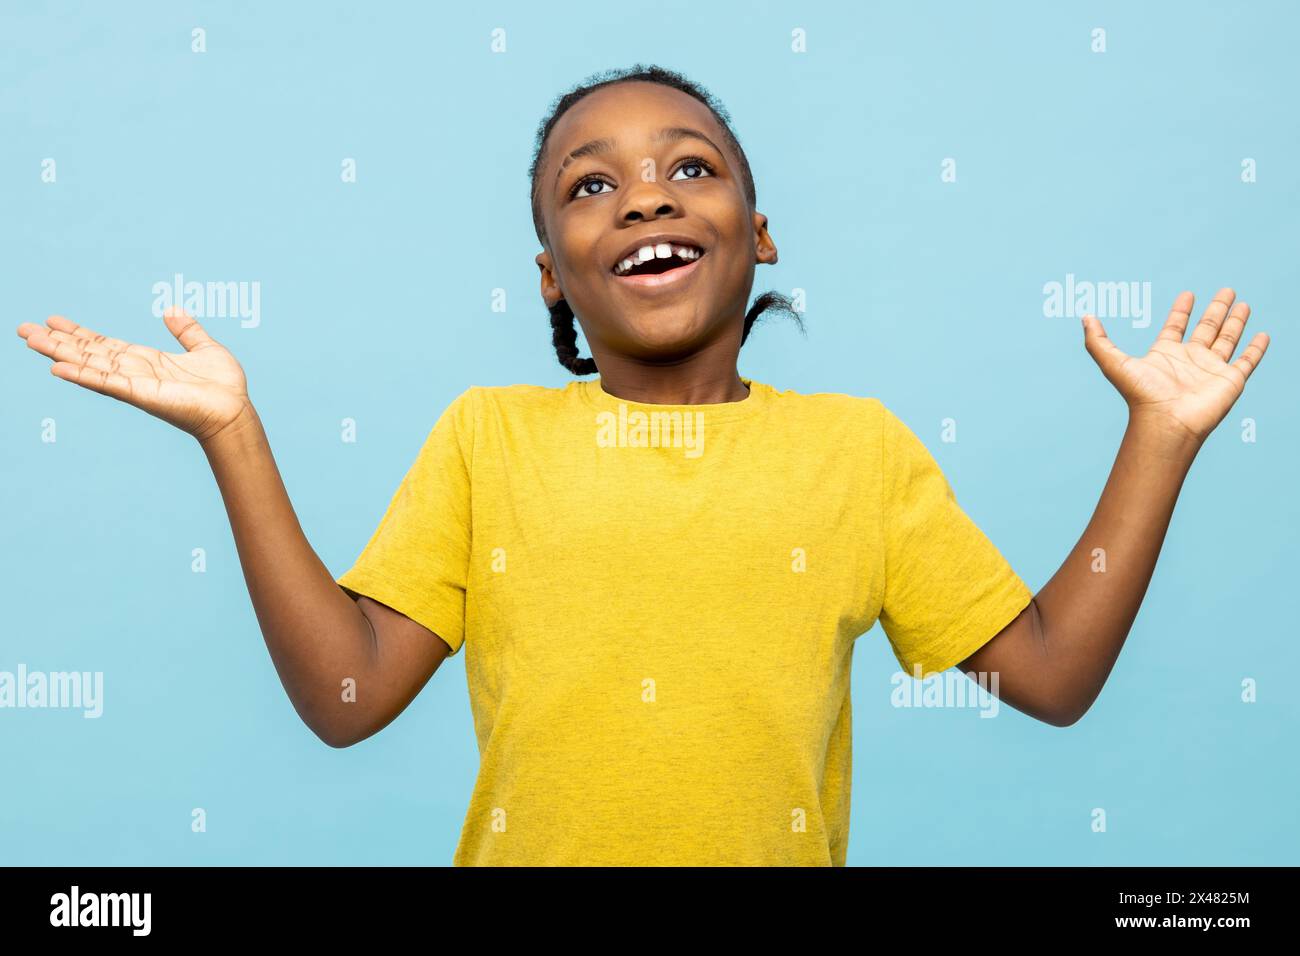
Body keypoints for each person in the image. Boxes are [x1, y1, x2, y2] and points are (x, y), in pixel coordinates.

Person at [15, 64, 1269, 866]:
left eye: (690, 167)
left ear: (758, 232)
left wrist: (1157, 441)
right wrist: (236, 436)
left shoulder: (855, 451)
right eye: (591, 184)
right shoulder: (487, 438)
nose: (644, 198)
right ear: (551, 275)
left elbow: (1049, 676)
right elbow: (346, 701)